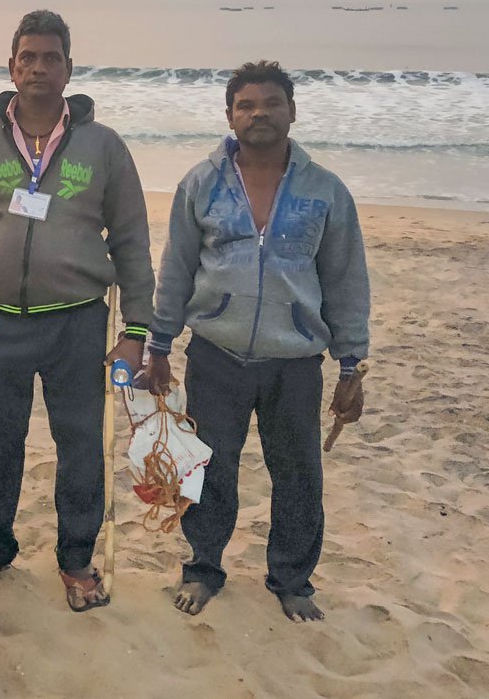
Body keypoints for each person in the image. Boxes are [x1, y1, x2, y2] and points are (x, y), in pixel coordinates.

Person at [0, 10, 154, 612]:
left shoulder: (103, 147)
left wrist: (136, 331)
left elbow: (132, 240)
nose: (38, 67)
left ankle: (77, 561)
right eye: (27, 57)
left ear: (69, 69)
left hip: (78, 325)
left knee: (81, 444)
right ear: (11, 67)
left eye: (50, 57)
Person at [145, 60, 369, 623]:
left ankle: (292, 579)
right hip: (215, 354)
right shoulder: (201, 182)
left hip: (294, 361)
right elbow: (176, 269)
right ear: (229, 115)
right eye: (246, 105)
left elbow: (345, 278)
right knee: (210, 468)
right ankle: (203, 568)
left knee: (296, 473)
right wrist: (159, 344)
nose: (259, 113)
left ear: (292, 111)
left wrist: (351, 366)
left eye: (271, 103)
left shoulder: (325, 191)